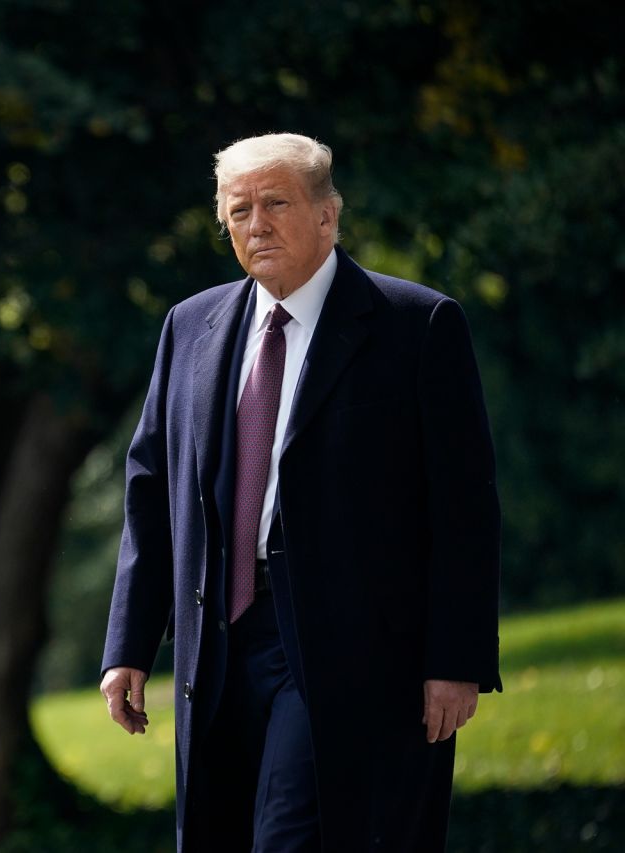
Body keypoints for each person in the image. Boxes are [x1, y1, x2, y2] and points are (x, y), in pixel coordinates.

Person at [99, 133, 501, 852]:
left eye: (276, 203)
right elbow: (152, 487)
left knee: (296, 839)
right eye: (239, 210)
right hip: (216, 644)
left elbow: (464, 508)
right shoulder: (189, 326)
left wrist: (456, 657)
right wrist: (128, 642)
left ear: (327, 215)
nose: (257, 224)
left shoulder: (416, 325)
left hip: (350, 647)